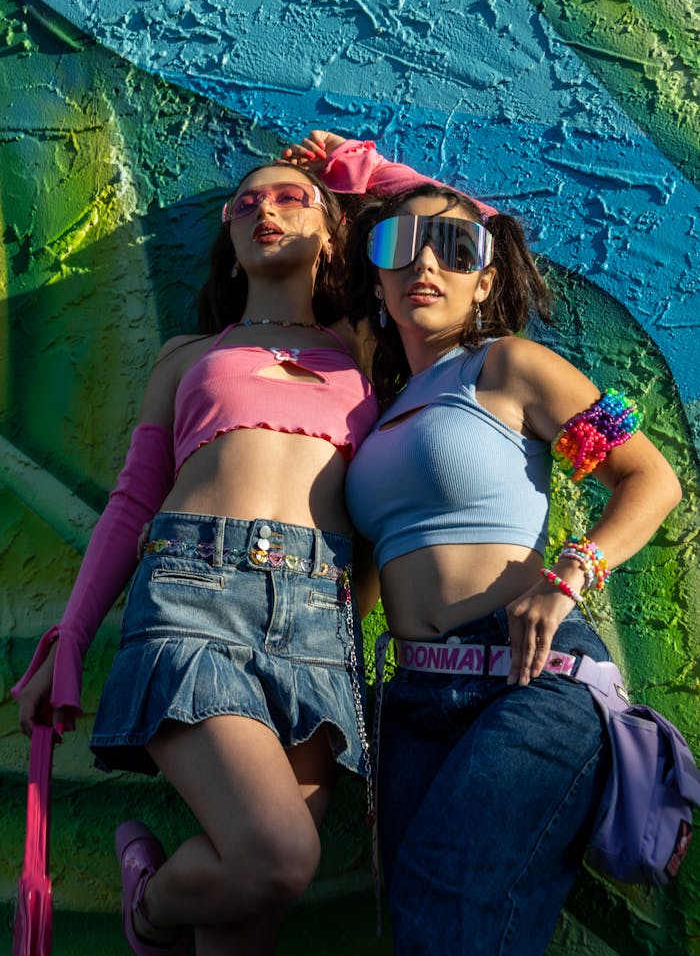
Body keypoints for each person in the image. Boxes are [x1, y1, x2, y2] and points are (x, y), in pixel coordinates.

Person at [13, 161, 381, 956]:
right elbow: (131, 500)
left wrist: (366, 170)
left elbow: (472, 233)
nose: (264, 210)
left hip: (319, 619)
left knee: (247, 915)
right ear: (230, 238)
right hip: (193, 594)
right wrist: (69, 639)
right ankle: (148, 910)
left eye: (291, 197)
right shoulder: (189, 355)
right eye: (245, 203)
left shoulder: (362, 348)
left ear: (331, 230)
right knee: (276, 857)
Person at [338, 174, 682, 954]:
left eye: (455, 248)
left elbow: (650, 479)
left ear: (485, 279)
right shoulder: (375, 409)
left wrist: (570, 574)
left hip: (530, 674)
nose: (426, 262)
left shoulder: (508, 368)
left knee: (447, 897)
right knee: (427, 927)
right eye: (400, 245)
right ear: (378, 277)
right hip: (413, 699)